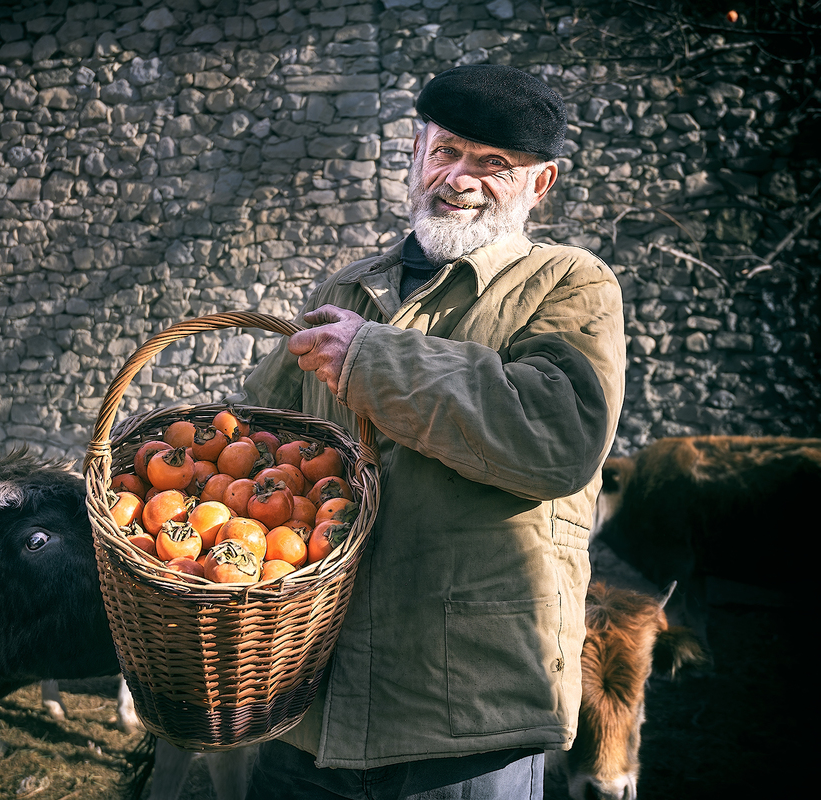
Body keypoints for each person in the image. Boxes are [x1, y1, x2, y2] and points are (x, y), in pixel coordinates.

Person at [236, 65, 626, 799]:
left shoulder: (567, 283)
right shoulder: (347, 289)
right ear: (415, 152)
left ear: (538, 186)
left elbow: (556, 438)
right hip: (309, 701)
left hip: (467, 709)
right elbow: (261, 439)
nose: (460, 179)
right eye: (446, 151)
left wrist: (371, 358)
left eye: (493, 164)